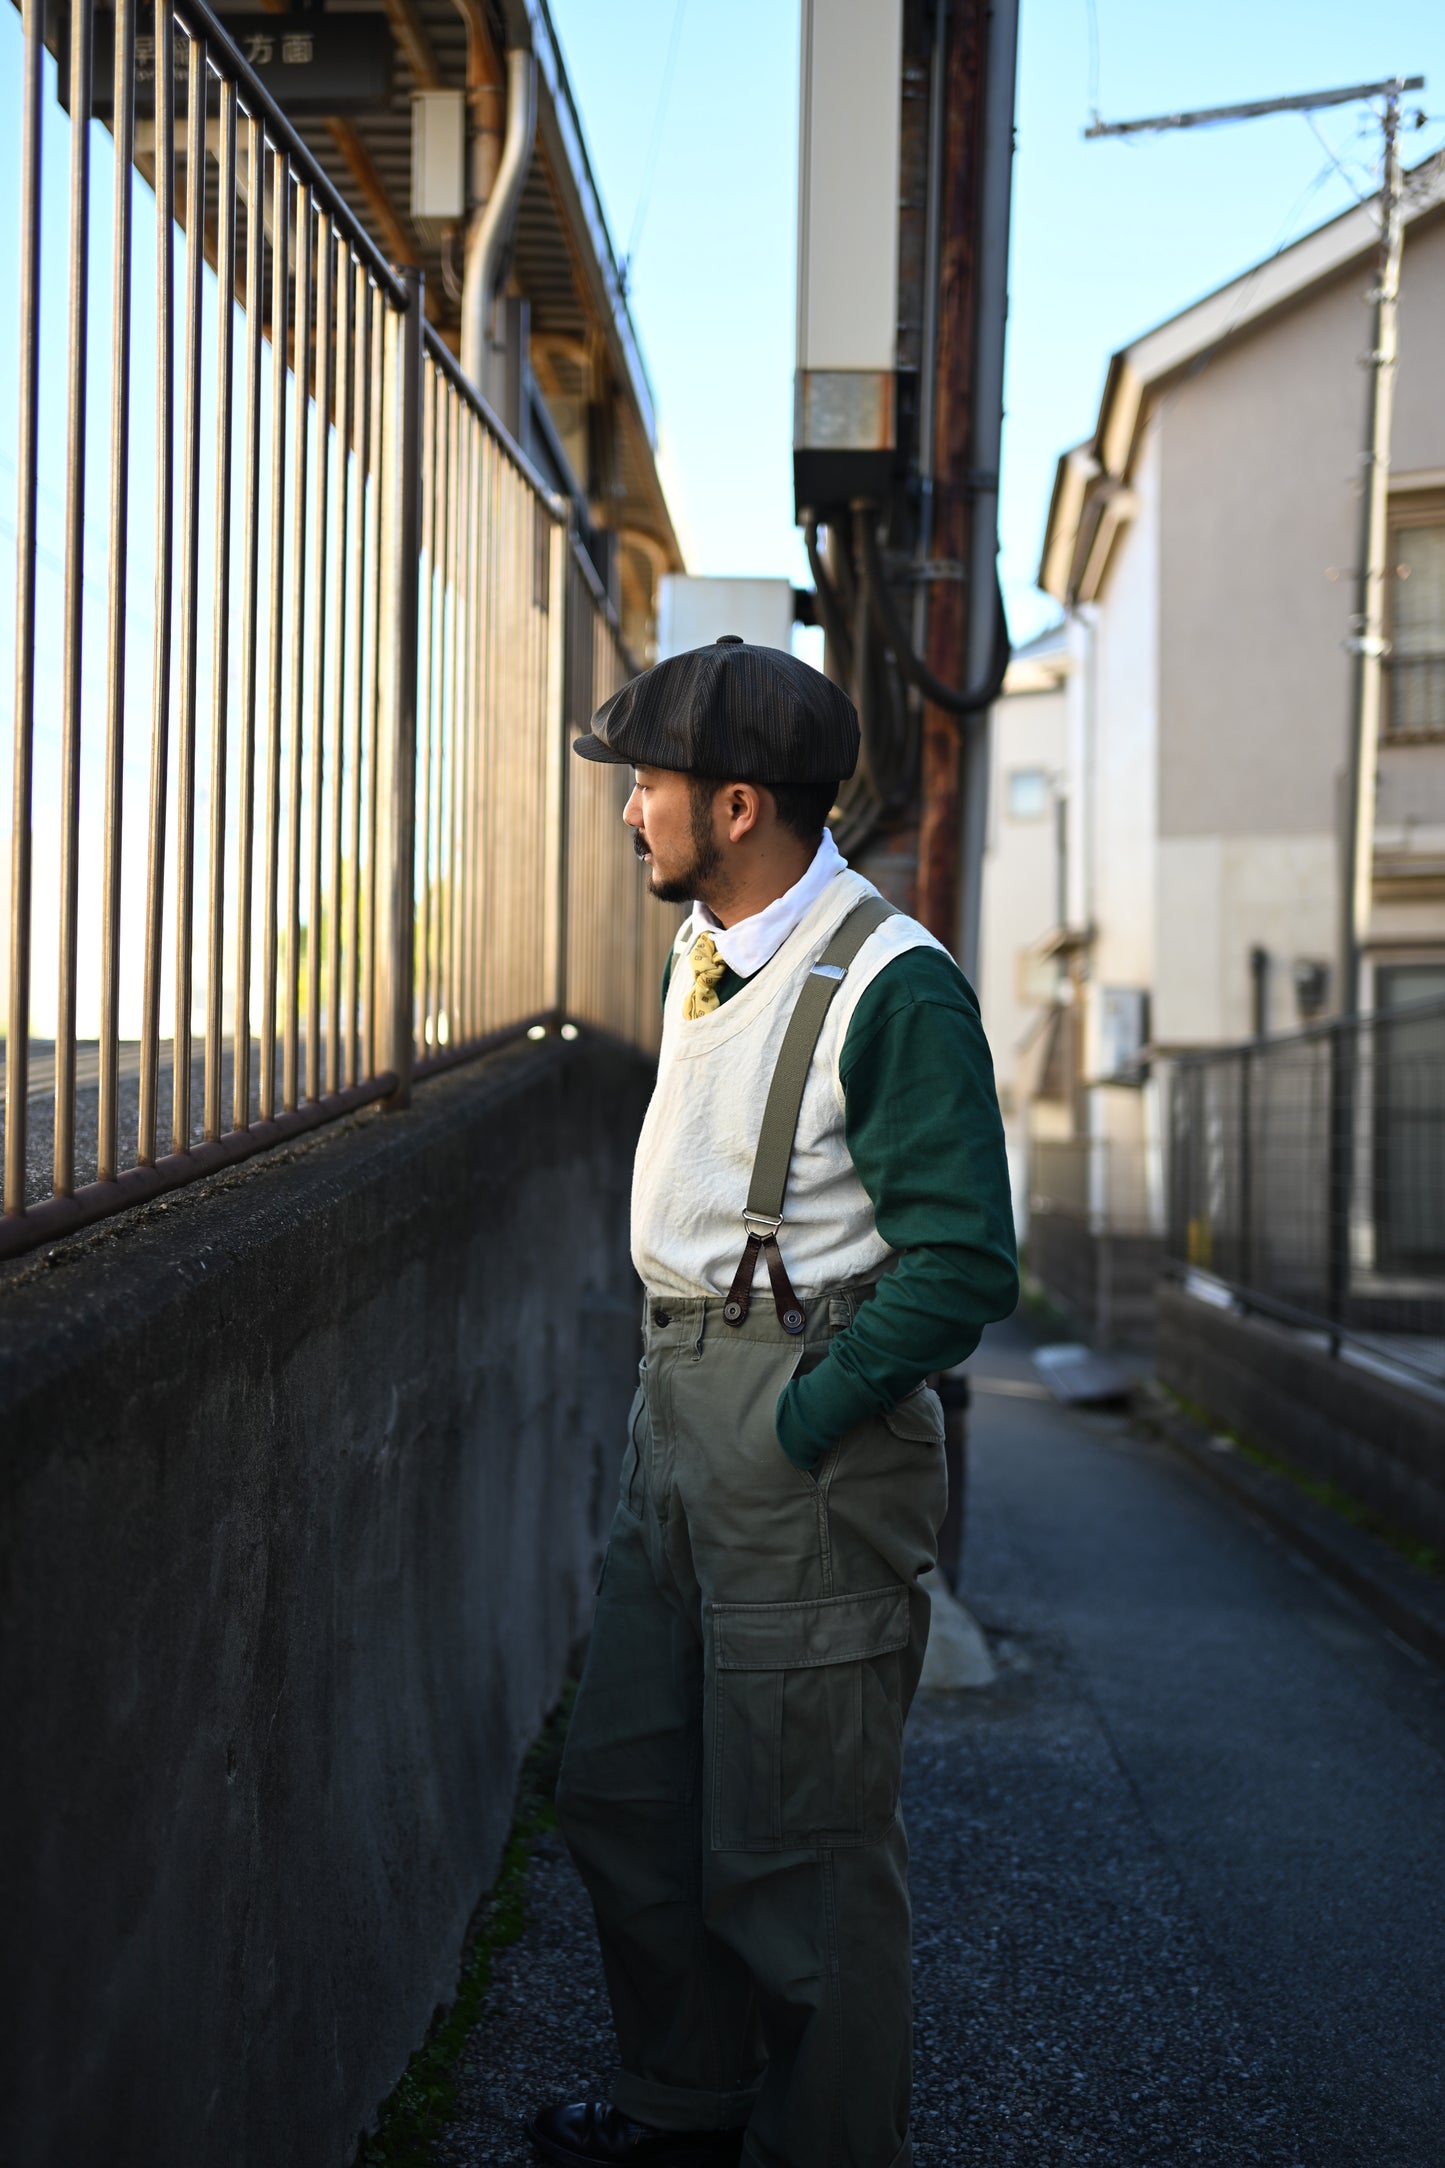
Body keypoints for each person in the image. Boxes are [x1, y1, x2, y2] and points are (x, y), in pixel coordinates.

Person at [529, 636, 1017, 2168]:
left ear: (736, 804)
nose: (629, 812)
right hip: (672, 1408)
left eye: (649, 787)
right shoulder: (707, 948)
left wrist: (809, 1417)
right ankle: (683, 2113)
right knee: (626, 1795)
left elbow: (964, 1261)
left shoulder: (892, 985)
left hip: (800, 1430)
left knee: (794, 1860)